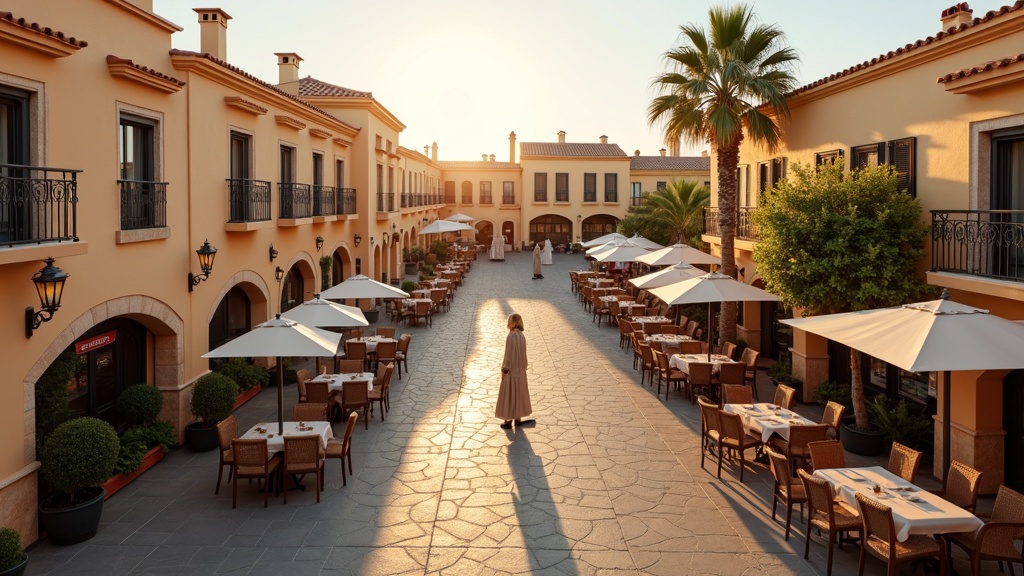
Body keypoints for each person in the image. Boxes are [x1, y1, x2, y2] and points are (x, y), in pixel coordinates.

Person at [495, 313, 532, 429]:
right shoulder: (521, 336)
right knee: (518, 393)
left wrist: (505, 368)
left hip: (511, 370)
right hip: (520, 370)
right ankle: (518, 418)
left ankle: (509, 420)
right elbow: (524, 354)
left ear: (513, 323)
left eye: (509, 321)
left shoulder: (511, 336)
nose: (508, 323)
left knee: (510, 393)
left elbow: (508, 354)